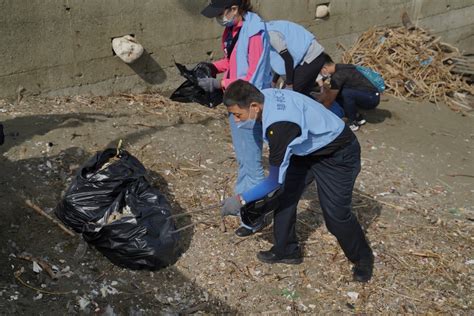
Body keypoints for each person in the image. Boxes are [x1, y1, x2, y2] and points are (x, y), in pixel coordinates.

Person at [220, 80, 374, 282]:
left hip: (337, 153)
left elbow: (272, 181)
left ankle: (363, 259)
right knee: (284, 196)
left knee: (336, 216)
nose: (237, 121)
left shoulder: (280, 126)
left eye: (238, 115)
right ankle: (286, 250)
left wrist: (240, 199)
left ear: (254, 107)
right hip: (306, 150)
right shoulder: (262, 95)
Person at [199, 0, 273, 217]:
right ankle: (243, 197)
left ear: (234, 9)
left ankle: (256, 210)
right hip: (235, 100)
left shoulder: (254, 33)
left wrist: (220, 83)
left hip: (248, 103)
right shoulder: (233, 30)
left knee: (251, 159)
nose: (218, 19)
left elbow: (253, 76)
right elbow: (231, 61)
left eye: (219, 13)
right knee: (243, 154)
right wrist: (212, 66)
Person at [317, 54, 381, 131]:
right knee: (341, 94)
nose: (321, 74)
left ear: (324, 68)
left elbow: (330, 99)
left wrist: (321, 110)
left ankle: (352, 122)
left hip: (371, 99)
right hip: (371, 95)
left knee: (346, 93)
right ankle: (357, 117)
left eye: (320, 71)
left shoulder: (337, 76)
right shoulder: (342, 67)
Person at [266, 20, 326, 97]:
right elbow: (280, 63)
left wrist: (289, 85)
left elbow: (288, 59)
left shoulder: (270, 35)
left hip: (311, 58)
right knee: (304, 95)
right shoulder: (269, 27)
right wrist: (274, 82)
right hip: (312, 57)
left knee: (289, 95)